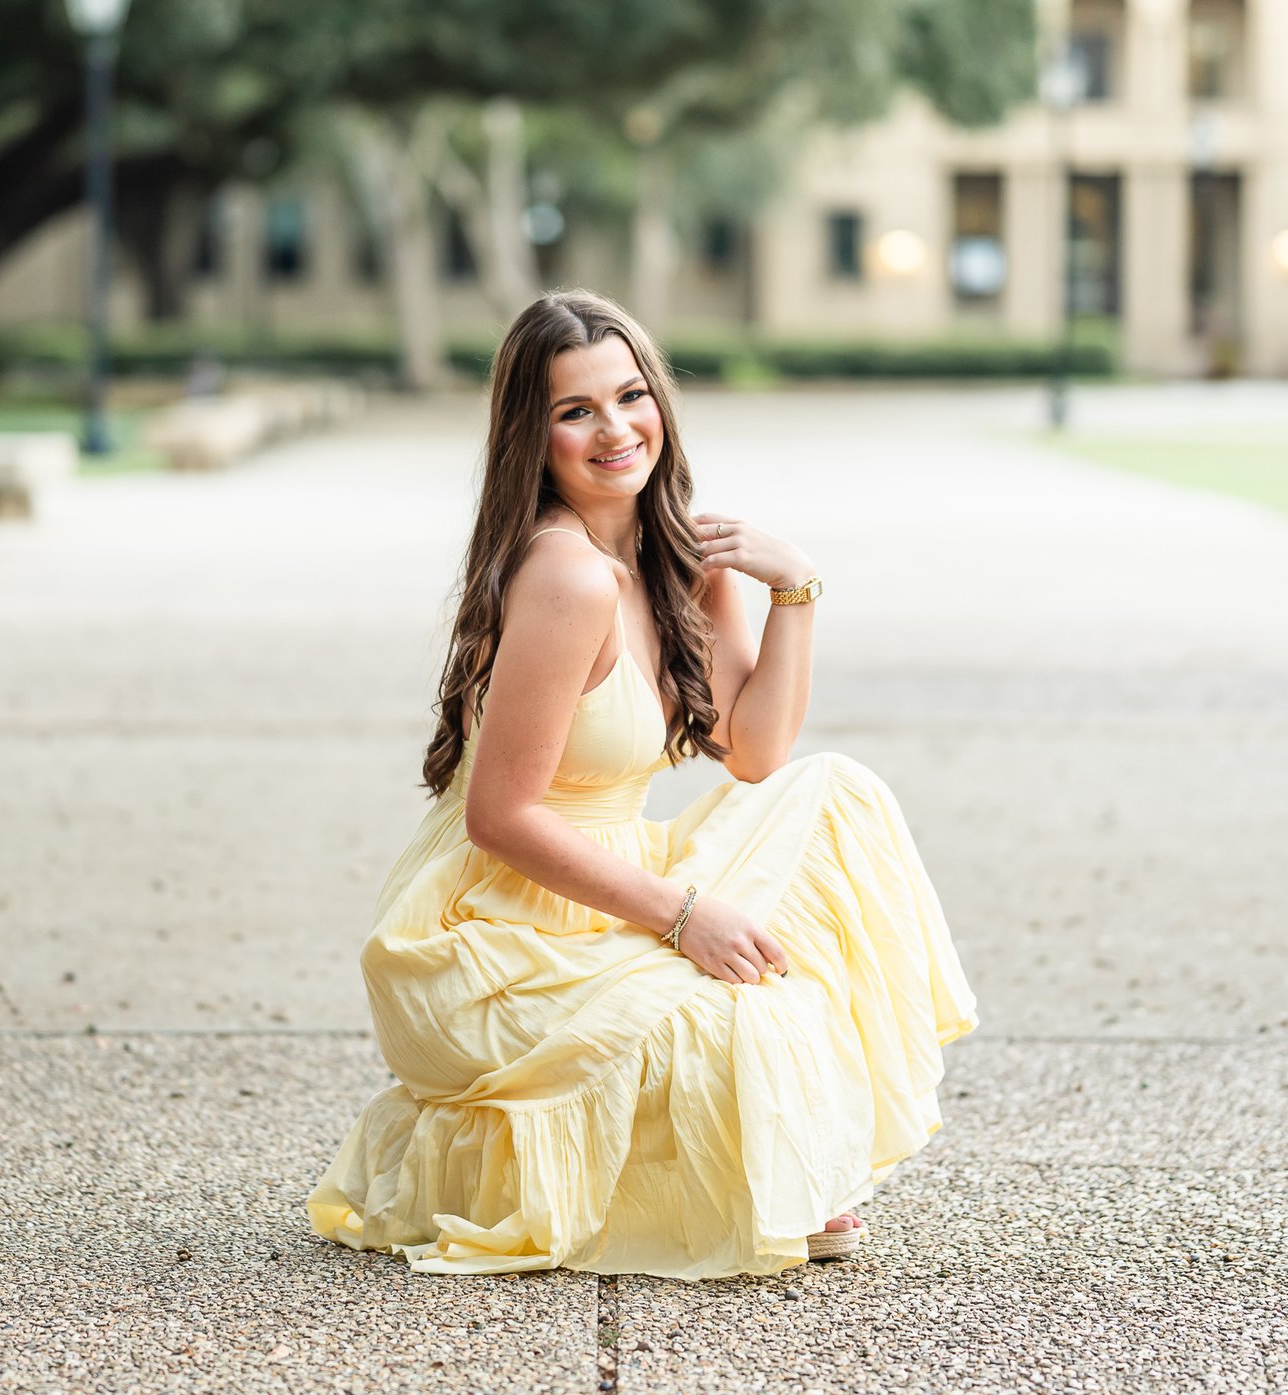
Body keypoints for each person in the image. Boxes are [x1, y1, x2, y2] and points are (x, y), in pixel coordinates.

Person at [307, 290, 976, 1279]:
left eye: (630, 395)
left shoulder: (678, 558)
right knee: (743, 1007)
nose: (615, 429)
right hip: (494, 923)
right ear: (531, 437)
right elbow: (498, 817)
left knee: (838, 793)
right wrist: (681, 914)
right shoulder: (564, 577)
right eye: (575, 410)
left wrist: (792, 589)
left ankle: (756, 1141)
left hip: (615, 877)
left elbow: (755, 752)